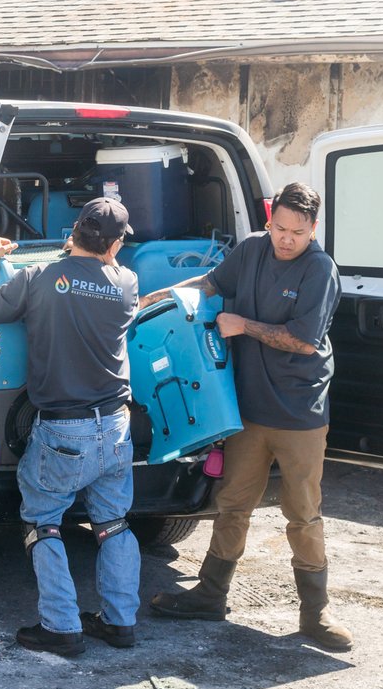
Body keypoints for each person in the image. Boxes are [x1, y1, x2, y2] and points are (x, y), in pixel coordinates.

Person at [142, 182, 352, 652]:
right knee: (232, 502)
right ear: (269, 221)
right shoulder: (254, 250)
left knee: (302, 513)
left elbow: (304, 339)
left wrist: (243, 326)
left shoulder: (320, 270)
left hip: (299, 412)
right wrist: (158, 298)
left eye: (297, 232)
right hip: (248, 409)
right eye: (279, 228)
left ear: (313, 229)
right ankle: (211, 595)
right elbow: (212, 284)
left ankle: (315, 613)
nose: (285, 239)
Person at [0, 197, 141, 657]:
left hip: (63, 430)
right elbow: (95, 278)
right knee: (113, 524)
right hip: (114, 427)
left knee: (43, 522)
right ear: (113, 244)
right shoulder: (126, 283)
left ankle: (62, 627)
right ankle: (120, 621)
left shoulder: (40, 278)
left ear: (74, 233)